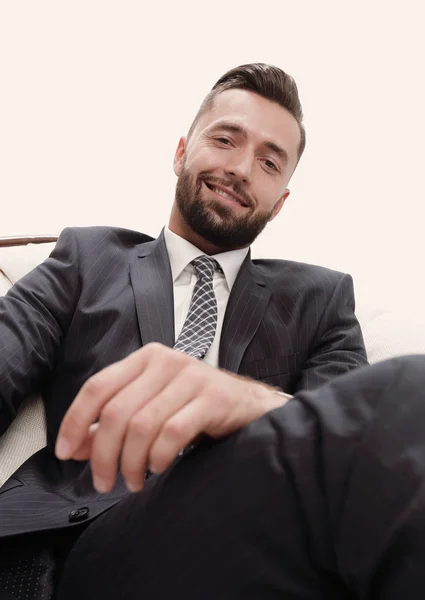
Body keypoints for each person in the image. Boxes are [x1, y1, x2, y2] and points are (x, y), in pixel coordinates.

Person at [0, 63, 370, 598]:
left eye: (269, 163)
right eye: (226, 139)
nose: (243, 168)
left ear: (281, 201)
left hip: (253, 544)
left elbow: (349, 450)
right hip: (85, 533)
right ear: (181, 152)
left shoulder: (322, 299)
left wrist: (243, 402)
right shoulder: (87, 258)